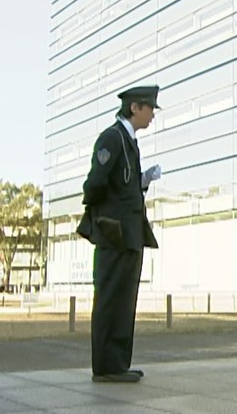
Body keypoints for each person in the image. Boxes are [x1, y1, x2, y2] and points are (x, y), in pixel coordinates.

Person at [76, 85, 162, 382]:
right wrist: (104, 219)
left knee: (124, 299)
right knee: (111, 297)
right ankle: (106, 366)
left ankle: (118, 363)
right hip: (115, 234)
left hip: (129, 233)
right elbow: (94, 184)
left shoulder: (129, 141)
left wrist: (143, 181)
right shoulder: (112, 138)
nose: (152, 115)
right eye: (150, 108)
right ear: (135, 107)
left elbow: (123, 184)